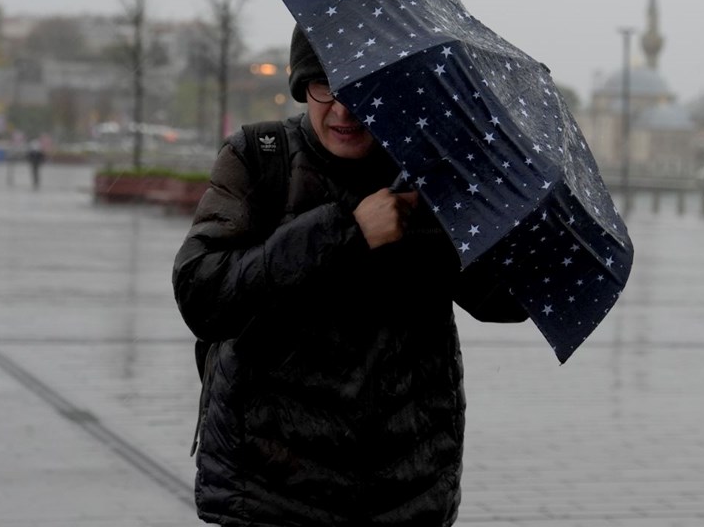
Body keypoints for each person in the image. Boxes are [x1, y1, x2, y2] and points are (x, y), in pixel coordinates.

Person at [173, 27, 526, 527]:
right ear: (301, 86)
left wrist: (452, 218)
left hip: (406, 494)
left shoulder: (430, 175)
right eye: (325, 85)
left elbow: (505, 301)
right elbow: (202, 294)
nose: (343, 108)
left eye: (364, 87)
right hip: (269, 495)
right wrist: (346, 231)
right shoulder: (259, 157)